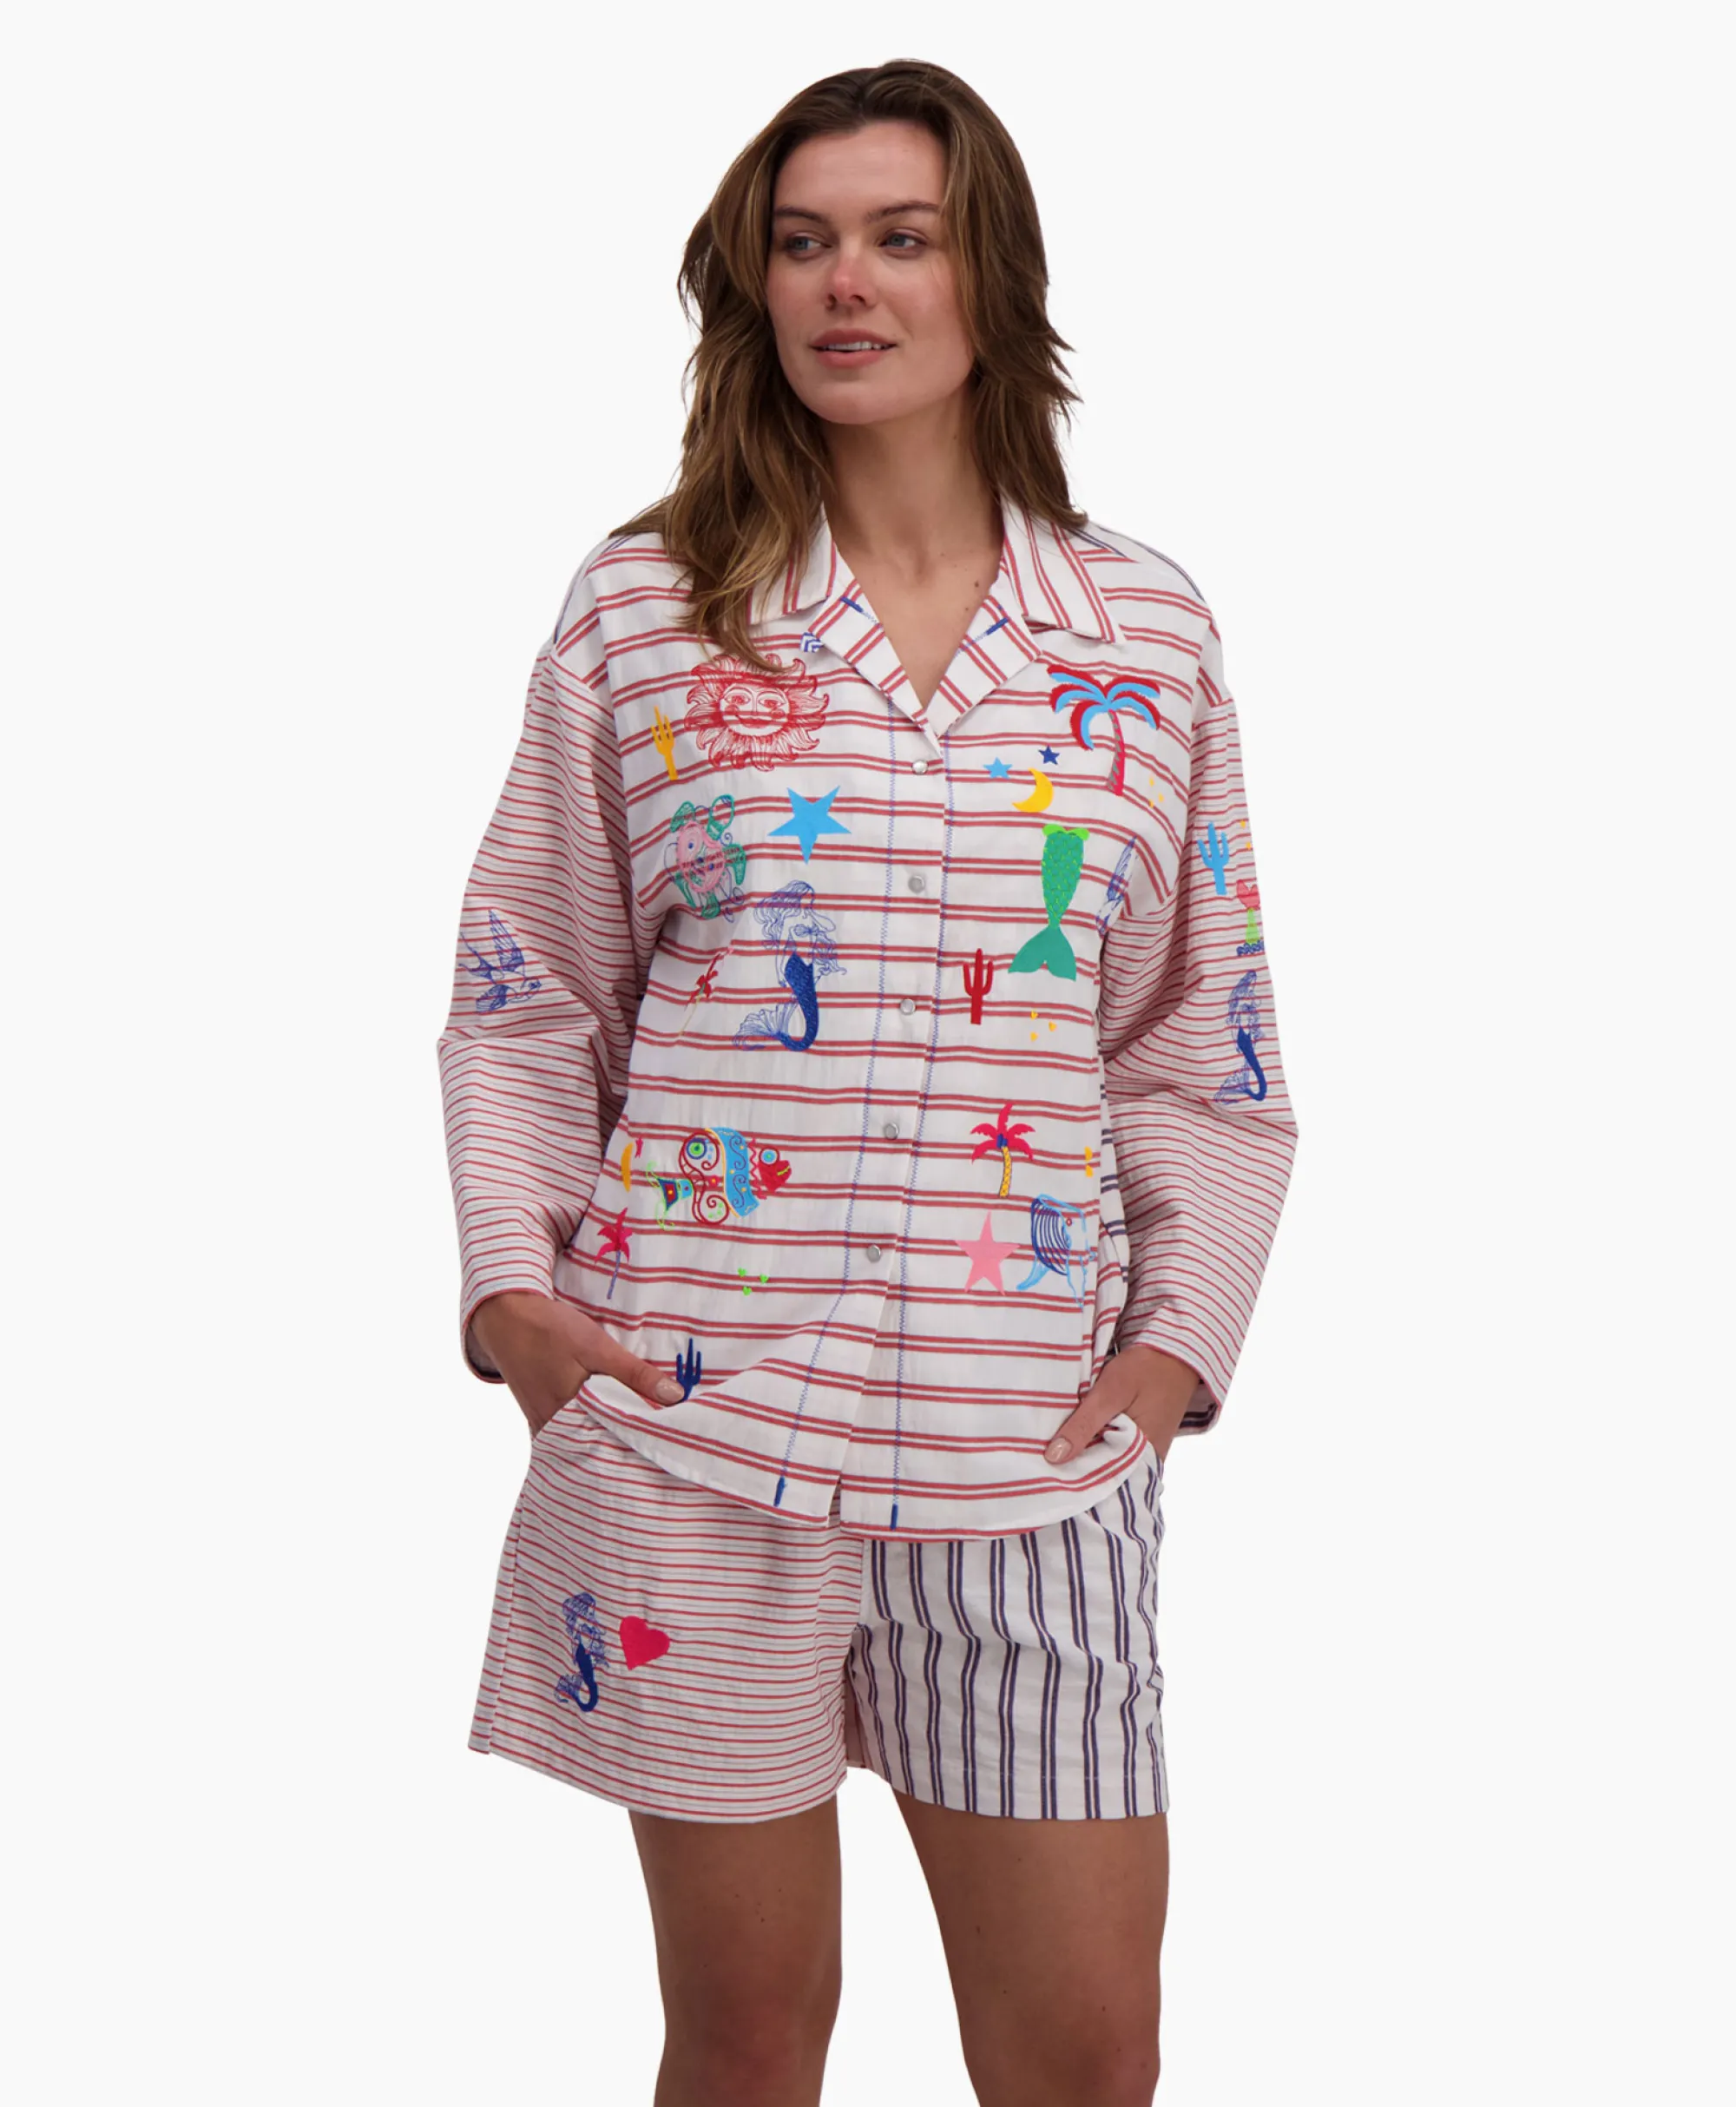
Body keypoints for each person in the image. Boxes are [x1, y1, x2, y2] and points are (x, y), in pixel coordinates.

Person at [436, 57, 1298, 2107]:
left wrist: (1171, 1350)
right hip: (701, 1427)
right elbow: (528, 989)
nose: (849, 284)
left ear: (988, 274)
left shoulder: (1142, 635)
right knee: (746, 2047)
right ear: (752, 286)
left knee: (1083, 2061)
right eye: (803, 243)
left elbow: (1201, 1038)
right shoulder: (647, 612)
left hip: (1027, 1449)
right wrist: (515, 1301)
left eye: (901, 238)